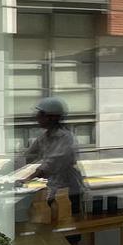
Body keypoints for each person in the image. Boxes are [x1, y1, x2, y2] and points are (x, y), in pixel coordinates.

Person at [14, 96, 87, 225]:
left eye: (41, 114)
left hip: (69, 191)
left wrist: (26, 179)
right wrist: (2, 171)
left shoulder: (65, 138)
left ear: (52, 117)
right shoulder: (45, 137)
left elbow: (50, 165)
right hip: (55, 189)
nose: (37, 117)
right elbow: (28, 156)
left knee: (67, 228)